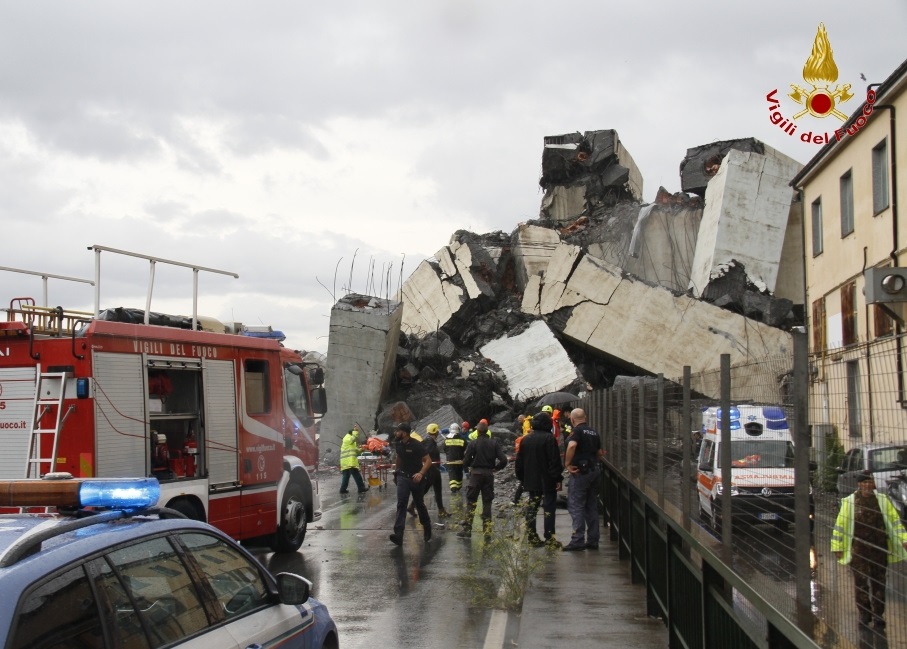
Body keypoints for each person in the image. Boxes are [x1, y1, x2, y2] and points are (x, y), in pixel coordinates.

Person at [831, 471, 907, 631]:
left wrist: (904, 539)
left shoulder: (882, 501)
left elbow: (895, 522)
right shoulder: (850, 502)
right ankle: (864, 614)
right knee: (861, 583)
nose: (867, 485)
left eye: (869, 482)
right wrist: (837, 546)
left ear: (873, 484)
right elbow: (840, 525)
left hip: (879, 550)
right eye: (864, 482)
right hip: (858, 551)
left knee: (879, 583)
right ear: (859, 484)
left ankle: (879, 615)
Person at [515, 412, 563, 548]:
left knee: (532, 508)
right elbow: (554, 461)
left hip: (531, 480)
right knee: (549, 509)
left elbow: (519, 462)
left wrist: (522, 478)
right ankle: (549, 537)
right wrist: (557, 478)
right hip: (547, 480)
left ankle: (532, 536)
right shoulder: (549, 438)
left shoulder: (526, 439)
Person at [457, 420, 507, 539]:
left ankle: (467, 530)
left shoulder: (473, 443)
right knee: (487, 502)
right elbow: (504, 460)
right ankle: (487, 531)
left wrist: (468, 467)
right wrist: (496, 468)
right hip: (488, 475)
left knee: (471, 501)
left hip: (476, 475)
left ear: (477, 431)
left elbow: (466, 461)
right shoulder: (494, 443)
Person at [563, 408, 604, 551]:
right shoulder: (594, 432)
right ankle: (593, 540)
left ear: (573, 420)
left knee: (576, 505)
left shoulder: (577, 432)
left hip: (580, 472)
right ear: (585, 417)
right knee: (591, 505)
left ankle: (577, 540)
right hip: (594, 470)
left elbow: (572, 445)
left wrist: (567, 464)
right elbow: (600, 453)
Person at [389, 423, 433, 545]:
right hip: (403, 477)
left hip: (416, 478)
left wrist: (421, 473)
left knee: (419, 504)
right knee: (401, 503)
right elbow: (399, 457)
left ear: (404, 433)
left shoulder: (416, 445)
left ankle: (427, 527)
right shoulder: (398, 444)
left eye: (397, 431)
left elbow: (428, 460)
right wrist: (397, 472)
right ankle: (398, 535)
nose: (395, 433)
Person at [417, 423, 449, 518]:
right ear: (435, 432)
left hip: (433, 469)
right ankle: (412, 505)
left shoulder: (428, 441)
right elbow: (427, 455)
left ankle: (441, 510)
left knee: (435, 489)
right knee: (426, 489)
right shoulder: (430, 443)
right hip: (432, 470)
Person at [339, 425, 369, 494]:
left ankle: (342, 490)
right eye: (354, 433)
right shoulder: (347, 438)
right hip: (349, 461)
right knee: (356, 474)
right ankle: (361, 488)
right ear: (352, 433)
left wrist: (361, 449)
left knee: (346, 476)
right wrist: (356, 431)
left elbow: (355, 450)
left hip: (346, 462)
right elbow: (353, 438)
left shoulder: (350, 441)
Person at [444, 423, 467, 493]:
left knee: (452, 473)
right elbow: (465, 448)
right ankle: (458, 486)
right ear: (458, 429)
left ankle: (453, 488)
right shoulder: (462, 439)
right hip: (460, 460)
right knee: (459, 472)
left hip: (450, 460)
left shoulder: (446, 439)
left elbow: (444, 449)